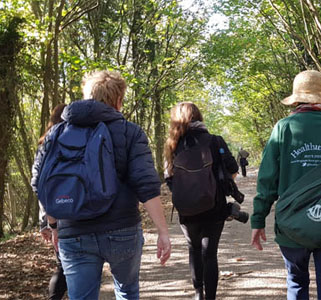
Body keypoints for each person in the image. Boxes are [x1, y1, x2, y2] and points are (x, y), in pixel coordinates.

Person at [31, 70, 171, 299]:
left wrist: (54, 225)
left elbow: (41, 183)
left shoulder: (56, 133)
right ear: (118, 100)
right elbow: (146, 184)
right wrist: (163, 231)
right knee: (126, 292)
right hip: (122, 229)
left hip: (73, 232)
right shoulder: (130, 131)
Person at [250, 70, 321, 300]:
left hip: (292, 227)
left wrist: (258, 219)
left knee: (296, 284)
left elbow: (267, 179)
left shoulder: (283, 128)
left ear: (297, 99)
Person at [164, 102, 238, 300]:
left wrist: (184, 193)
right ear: (199, 117)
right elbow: (233, 169)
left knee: (194, 249)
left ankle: (198, 294)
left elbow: (168, 177)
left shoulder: (173, 144)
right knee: (210, 254)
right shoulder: (215, 141)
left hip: (186, 210)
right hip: (215, 207)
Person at [38, 103, 68, 300]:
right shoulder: (64, 143)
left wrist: (43, 220)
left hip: (49, 211)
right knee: (65, 267)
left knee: (63, 265)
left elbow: (39, 184)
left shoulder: (45, 144)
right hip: (62, 211)